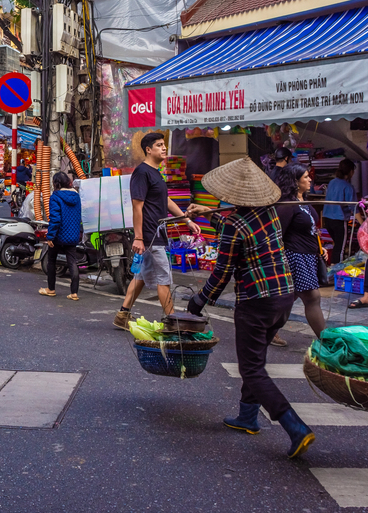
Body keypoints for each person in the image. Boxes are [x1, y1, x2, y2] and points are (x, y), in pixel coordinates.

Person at [185, 158, 314, 459]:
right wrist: (208, 214)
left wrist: (200, 300)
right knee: (255, 359)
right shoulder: (268, 213)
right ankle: (247, 416)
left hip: (256, 301)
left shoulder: (236, 224)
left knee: (252, 369)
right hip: (284, 297)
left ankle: (295, 426)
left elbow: (222, 271)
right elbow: (239, 234)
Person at [113, 132, 201, 329]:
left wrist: (186, 220)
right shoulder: (141, 172)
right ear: (148, 149)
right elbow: (137, 206)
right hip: (150, 234)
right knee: (163, 278)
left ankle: (122, 315)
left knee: (142, 277)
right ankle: (174, 322)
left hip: (157, 232)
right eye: (159, 145)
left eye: (164, 145)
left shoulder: (156, 173)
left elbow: (166, 200)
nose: (164, 148)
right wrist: (138, 237)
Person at [273, 164, 327, 342]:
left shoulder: (304, 202)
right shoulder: (287, 205)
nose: (310, 179)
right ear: (295, 182)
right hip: (296, 257)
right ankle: (327, 341)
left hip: (309, 256)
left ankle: (269, 329)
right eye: (305, 177)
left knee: (289, 297)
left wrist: (320, 247)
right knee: (312, 297)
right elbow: (278, 234)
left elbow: (310, 228)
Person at [38, 172, 83, 301]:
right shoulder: (76, 196)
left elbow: (55, 219)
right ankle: (74, 293)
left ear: (56, 183)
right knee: (72, 262)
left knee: (51, 260)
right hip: (73, 235)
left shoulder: (55, 197)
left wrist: (50, 237)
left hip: (58, 235)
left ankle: (51, 289)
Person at [323, 158, 357, 265]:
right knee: (340, 248)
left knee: (337, 245)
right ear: (351, 171)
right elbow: (354, 208)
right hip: (339, 220)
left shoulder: (332, 182)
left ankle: (332, 272)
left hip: (327, 219)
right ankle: (337, 274)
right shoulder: (348, 187)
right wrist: (364, 223)